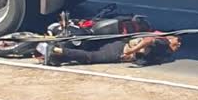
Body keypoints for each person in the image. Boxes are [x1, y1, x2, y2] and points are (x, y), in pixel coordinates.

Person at [39, 35, 182, 66]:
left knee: (89, 55)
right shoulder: (164, 43)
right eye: (178, 42)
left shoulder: (165, 52)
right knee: (91, 57)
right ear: (171, 39)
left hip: (119, 46)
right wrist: (132, 50)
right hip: (120, 50)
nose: (178, 45)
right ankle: (56, 50)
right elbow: (148, 40)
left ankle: (55, 58)